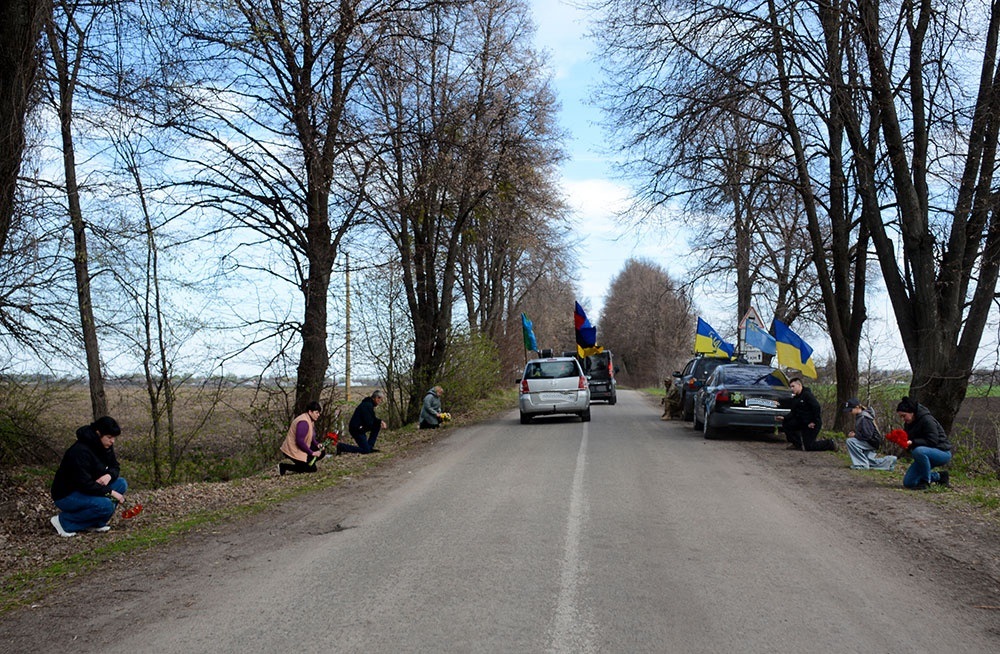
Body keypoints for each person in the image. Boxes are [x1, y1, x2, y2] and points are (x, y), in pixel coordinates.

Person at [50, 416, 128, 537]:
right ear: (98, 433)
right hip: (67, 494)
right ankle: (64, 521)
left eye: (114, 438)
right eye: (109, 437)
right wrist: (110, 492)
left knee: (121, 483)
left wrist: (108, 475)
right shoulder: (79, 451)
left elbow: (115, 466)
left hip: (90, 487)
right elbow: (84, 484)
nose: (112, 441)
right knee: (106, 505)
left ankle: (97, 522)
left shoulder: (106, 446)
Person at [896, 397, 953, 490]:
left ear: (912, 412)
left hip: (942, 452)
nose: (902, 419)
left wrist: (912, 442)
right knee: (909, 482)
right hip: (923, 454)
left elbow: (932, 441)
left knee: (918, 451)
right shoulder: (908, 423)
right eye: (900, 417)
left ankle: (925, 482)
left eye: (904, 415)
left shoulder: (927, 420)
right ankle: (940, 476)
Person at [779, 377, 837, 451]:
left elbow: (817, 407)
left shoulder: (807, 395)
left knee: (809, 446)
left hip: (812, 424)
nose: (792, 388)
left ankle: (830, 443)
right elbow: (793, 412)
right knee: (787, 424)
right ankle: (797, 444)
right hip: (802, 422)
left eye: (793, 386)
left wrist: (814, 421)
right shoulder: (796, 398)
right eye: (791, 387)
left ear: (799, 385)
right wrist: (784, 417)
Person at [843, 398, 897, 470]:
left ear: (857, 407)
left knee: (850, 441)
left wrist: (855, 435)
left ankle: (862, 465)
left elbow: (868, 435)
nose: (849, 412)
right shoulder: (861, 416)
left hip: (871, 442)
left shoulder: (864, 418)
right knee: (870, 462)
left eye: (850, 410)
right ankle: (889, 461)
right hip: (872, 442)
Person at [279, 401, 326, 475]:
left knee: (321, 452)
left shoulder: (310, 420)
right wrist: (312, 453)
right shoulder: (303, 422)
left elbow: (311, 437)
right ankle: (284, 466)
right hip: (293, 450)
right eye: (316, 413)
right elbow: (299, 441)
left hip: (301, 448)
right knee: (311, 469)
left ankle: (305, 463)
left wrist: (317, 444)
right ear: (310, 412)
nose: (318, 415)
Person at [338, 389, 386, 454]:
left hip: (360, 428)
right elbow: (369, 422)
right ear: (377, 398)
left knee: (377, 425)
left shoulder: (369, 404)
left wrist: (380, 421)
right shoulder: (367, 405)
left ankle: (369, 447)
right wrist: (377, 423)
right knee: (365, 451)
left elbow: (372, 419)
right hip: (356, 429)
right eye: (381, 400)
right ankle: (342, 447)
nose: (380, 402)